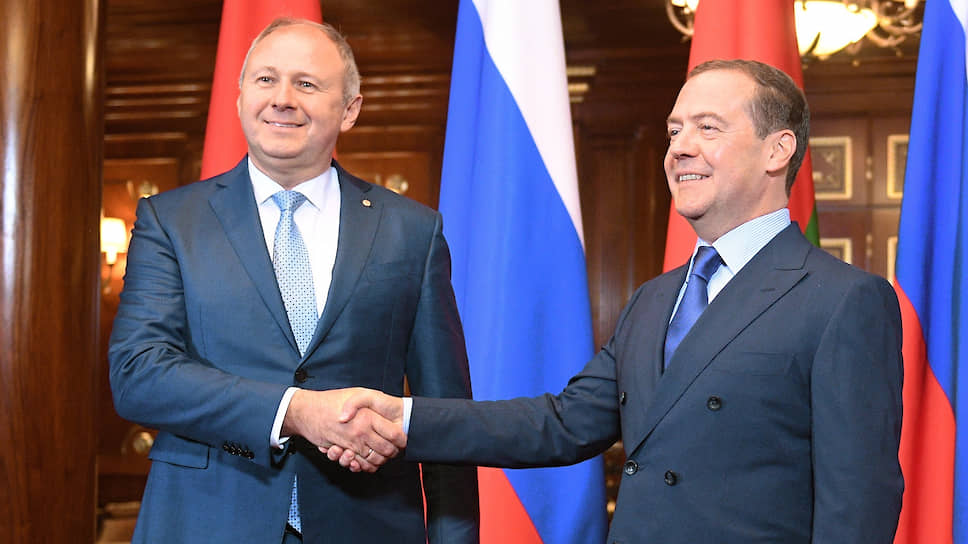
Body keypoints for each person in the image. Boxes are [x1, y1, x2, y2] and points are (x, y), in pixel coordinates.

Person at [333, 59, 904, 543]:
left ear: (778, 150)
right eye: (674, 131)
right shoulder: (655, 299)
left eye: (707, 128)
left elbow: (857, 505)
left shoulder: (844, 301)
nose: (680, 148)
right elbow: (562, 424)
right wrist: (404, 417)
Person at [108, 17, 478, 544]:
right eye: (266, 79)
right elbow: (138, 375)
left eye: (306, 83)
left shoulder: (412, 231)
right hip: (206, 522)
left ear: (349, 110)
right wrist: (296, 411)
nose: (282, 99)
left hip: (368, 525)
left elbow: (444, 417)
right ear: (240, 97)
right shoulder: (171, 221)